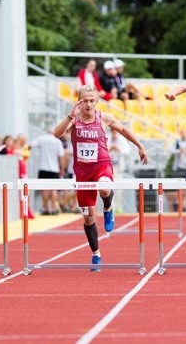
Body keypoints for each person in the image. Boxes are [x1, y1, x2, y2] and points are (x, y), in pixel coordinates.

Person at [53, 84, 148, 271]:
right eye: (85, 101)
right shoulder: (74, 120)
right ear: (79, 102)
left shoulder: (104, 118)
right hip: (82, 173)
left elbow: (123, 130)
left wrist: (140, 146)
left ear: (97, 102)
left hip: (102, 166)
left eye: (92, 101)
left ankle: (108, 206)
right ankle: (96, 254)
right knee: (88, 218)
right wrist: (71, 115)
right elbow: (56, 133)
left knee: (104, 188)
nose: (88, 105)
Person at [30, 130, 66, 215]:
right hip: (54, 168)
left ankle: (45, 208)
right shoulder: (57, 141)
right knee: (54, 189)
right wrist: (62, 169)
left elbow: (30, 145)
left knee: (45, 188)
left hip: (43, 167)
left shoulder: (41, 138)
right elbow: (61, 156)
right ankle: (53, 209)